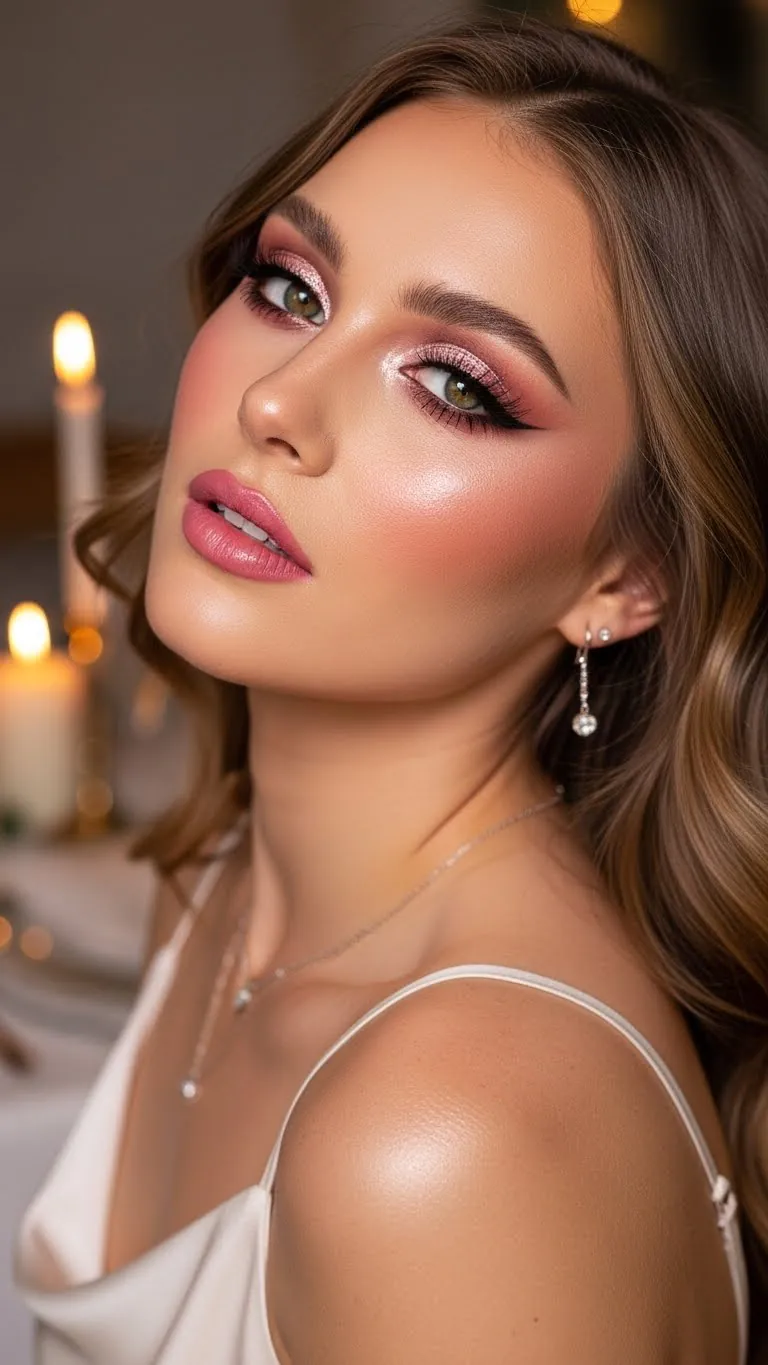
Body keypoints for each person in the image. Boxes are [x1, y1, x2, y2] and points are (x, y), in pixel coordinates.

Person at [14, 13, 768, 1363]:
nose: (281, 403)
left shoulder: (450, 1134)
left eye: (456, 385)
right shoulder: (238, 878)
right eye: (293, 287)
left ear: (625, 575)